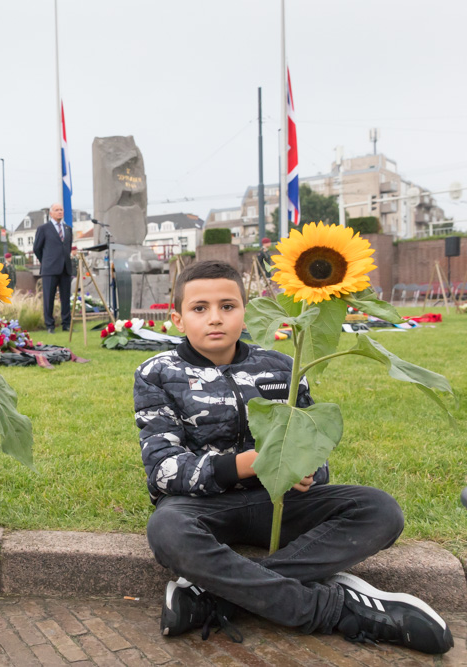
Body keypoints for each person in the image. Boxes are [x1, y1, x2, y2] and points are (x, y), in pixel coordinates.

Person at [134, 260, 453, 655]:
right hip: (202, 508)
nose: (214, 318)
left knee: (379, 510)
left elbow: (312, 444)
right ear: (178, 318)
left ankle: (218, 598)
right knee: (167, 531)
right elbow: (164, 469)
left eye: (228, 306)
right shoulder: (157, 372)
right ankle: (336, 610)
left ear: (245, 311)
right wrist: (249, 463)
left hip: (281, 502)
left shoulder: (282, 366)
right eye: (200, 308)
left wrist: (309, 472)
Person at [32, 203, 73, 333]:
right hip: (49, 268)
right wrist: (45, 260)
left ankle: (66, 324)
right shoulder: (43, 228)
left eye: (61, 210)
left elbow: (68, 247)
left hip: (65, 268)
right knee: (49, 298)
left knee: (66, 298)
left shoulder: (68, 229)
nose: (60, 212)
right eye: (57, 210)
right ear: (51, 213)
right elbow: (37, 248)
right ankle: (50, 325)